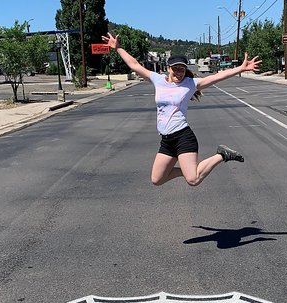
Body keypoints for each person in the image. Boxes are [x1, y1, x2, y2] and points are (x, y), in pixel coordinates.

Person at [102, 32, 261, 187]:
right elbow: (134, 64)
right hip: (166, 140)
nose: (179, 72)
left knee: (193, 180)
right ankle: (187, 170)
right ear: (168, 68)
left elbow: (216, 78)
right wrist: (118, 48)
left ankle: (222, 155)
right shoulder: (158, 80)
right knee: (157, 179)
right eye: (175, 68)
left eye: (182, 69)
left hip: (183, 137)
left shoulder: (190, 84)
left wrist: (240, 69)